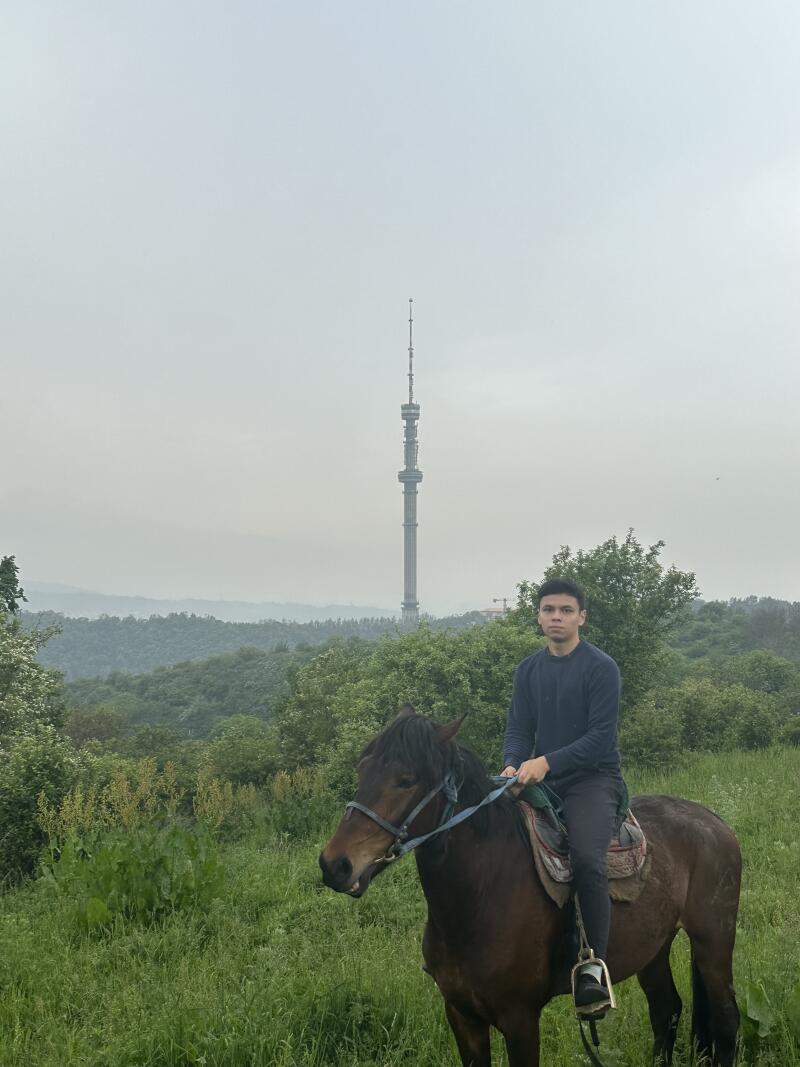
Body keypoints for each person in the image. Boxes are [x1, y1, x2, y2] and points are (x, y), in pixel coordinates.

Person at [501, 578, 623, 1013]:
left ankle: (593, 969)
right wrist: (512, 764)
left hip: (593, 780)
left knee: (587, 859)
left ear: (581, 617)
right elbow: (519, 728)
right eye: (549, 609)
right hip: (541, 779)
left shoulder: (601, 667)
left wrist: (546, 762)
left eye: (566, 610)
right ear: (538, 616)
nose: (557, 617)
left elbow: (599, 738)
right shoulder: (528, 670)